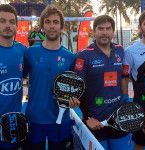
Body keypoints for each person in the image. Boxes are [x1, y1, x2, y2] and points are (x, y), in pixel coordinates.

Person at [23, 6, 80, 150]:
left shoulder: (70, 57)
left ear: (61, 27)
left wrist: (74, 100)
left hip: (61, 119)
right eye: (47, 22)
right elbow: (19, 78)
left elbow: (74, 89)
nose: (51, 26)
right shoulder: (30, 52)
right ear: (42, 26)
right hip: (35, 119)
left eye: (55, 22)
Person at [74, 15, 132, 150]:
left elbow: (124, 76)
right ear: (94, 32)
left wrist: (125, 99)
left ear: (113, 31)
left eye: (108, 28)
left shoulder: (120, 50)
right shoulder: (83, 55)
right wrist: (87, 117)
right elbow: (78, 89)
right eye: (100, 28)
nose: (104, 32)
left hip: (118, 118)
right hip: (95, 121)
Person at [122, 9, 145, 150]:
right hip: (143, 107)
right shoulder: (130, 51)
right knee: (140, 144)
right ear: (140, 27)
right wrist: (125, 100)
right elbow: (124, 78)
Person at [0, 4, 26, 150]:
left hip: (14, 123)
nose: (7, 25)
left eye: (11, 22)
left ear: (16, 26)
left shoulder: (21, 50)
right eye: (2, 21)